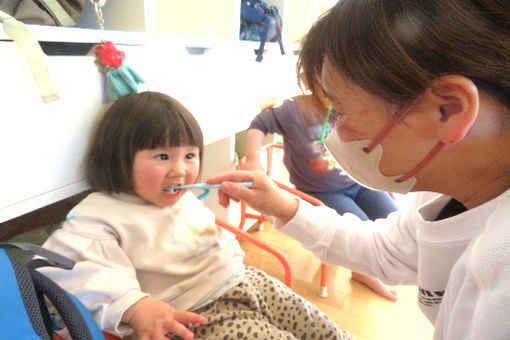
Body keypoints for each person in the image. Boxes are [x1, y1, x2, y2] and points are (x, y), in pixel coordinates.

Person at [207, 0, 510, 339]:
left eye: (341, 110)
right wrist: (279, 204)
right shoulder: (444, 195)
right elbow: (386, 249)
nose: (332, 133)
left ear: (449, 109)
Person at [37, 91, 352, 340]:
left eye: (190, 155)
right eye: (162, 156)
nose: (180, 169)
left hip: (247, 281)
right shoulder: (102, 211)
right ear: (119, 159)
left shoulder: (181, 196)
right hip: (197, 315)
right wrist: (134, 307)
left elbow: (208, 238)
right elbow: (72, 268)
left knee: (320, 326)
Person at [242, 95, 399, 301]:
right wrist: (253, 158)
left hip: (358, 182)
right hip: (321, 191)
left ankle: (366, 266)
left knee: (393, 219)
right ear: (305, 78)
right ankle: (362, 271)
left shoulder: (352, 104)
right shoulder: (294, 110)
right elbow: (259, 123)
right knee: (360, 229)